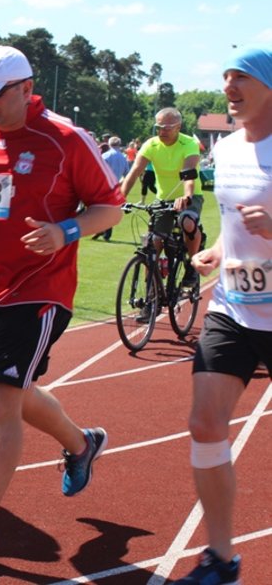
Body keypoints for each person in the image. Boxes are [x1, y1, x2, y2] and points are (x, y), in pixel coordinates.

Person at [0, 46, 123, 565]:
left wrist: (65, 231)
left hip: (42, 287)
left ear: (24, 89)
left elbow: (110, 207)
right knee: (15, 388)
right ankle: (81, 444)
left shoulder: (65, 139)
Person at [172, 47, 272, 585]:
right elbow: (231, 222)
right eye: (226, 78)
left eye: (242, 78)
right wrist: (217, 251)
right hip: (233, 306)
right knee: (205, 423)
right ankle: (221, 557)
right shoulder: (228, 150)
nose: (229, 87)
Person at [121, 107, 205, 287]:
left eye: (167, 127)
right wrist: (119, 198)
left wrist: (187, 196)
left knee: (187, 222)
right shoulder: (151, 144)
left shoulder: (189, 143)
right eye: (158, 127)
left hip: (189, 195)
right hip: (163, 198)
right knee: (153, 244)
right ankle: (151, 295)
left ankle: (192, 264)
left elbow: (188, 175)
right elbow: (134, 172)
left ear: (178, 127)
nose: (162, 131)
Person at [92, 136, 129, 241]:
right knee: (111, 209)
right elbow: (127, 174)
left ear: (109, 144)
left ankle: (100, 228)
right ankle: (106, 233)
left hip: (104, 185)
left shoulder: (105, 156)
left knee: (99, 208)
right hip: (116, 186)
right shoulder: (123, 157)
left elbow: (98, 170)